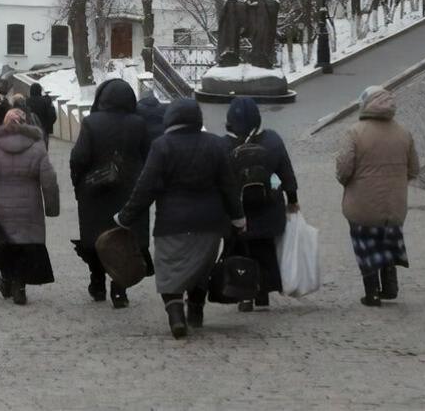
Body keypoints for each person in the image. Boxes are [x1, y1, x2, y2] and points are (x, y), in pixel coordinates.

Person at [117, 99, 246, 339]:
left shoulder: (162, 146)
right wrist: (238, 218)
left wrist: (126, 217)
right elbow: (229, 186)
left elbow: (145, 187)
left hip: (171, 224)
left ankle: (176, 315)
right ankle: (196, 310)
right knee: (200, 268)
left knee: (169, 271)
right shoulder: (216, 145)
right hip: (209, 223)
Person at [68, 78, 150, 308]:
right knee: (123, 239)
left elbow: (79, 157)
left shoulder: (92, 123)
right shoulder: (139, 124)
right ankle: (119, 288)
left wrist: (78, 182)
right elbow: (147, 155)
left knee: (96, 239)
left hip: (95, 193)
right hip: (129, 192)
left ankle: (97, 282)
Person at [335, 86, 420, 306]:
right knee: (388, 241)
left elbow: (344, 170)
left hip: (362, 204)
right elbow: (414, 170)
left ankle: (371, 293)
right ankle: (390, 286)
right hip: (394, 205)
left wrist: (348, 182)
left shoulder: (354, 132)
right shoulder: (404, 133)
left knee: (366, 245)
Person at [0, 108, 61, 306]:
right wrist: (52, 207)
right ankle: (19, 285)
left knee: (5, 244)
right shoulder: (38, 146)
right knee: (24, 246)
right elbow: (49, 180)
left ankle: (6, 279)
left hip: (1, 207)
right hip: (30, 206)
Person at [224, 96, 299, 311]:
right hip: (269, 206)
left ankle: (244, 294)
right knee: (265, 249)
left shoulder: (225, 144)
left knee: (241, 250)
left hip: (238, 210)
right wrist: (292, 200)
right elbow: (286, 173)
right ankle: (263, 293)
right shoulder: (273, 141)